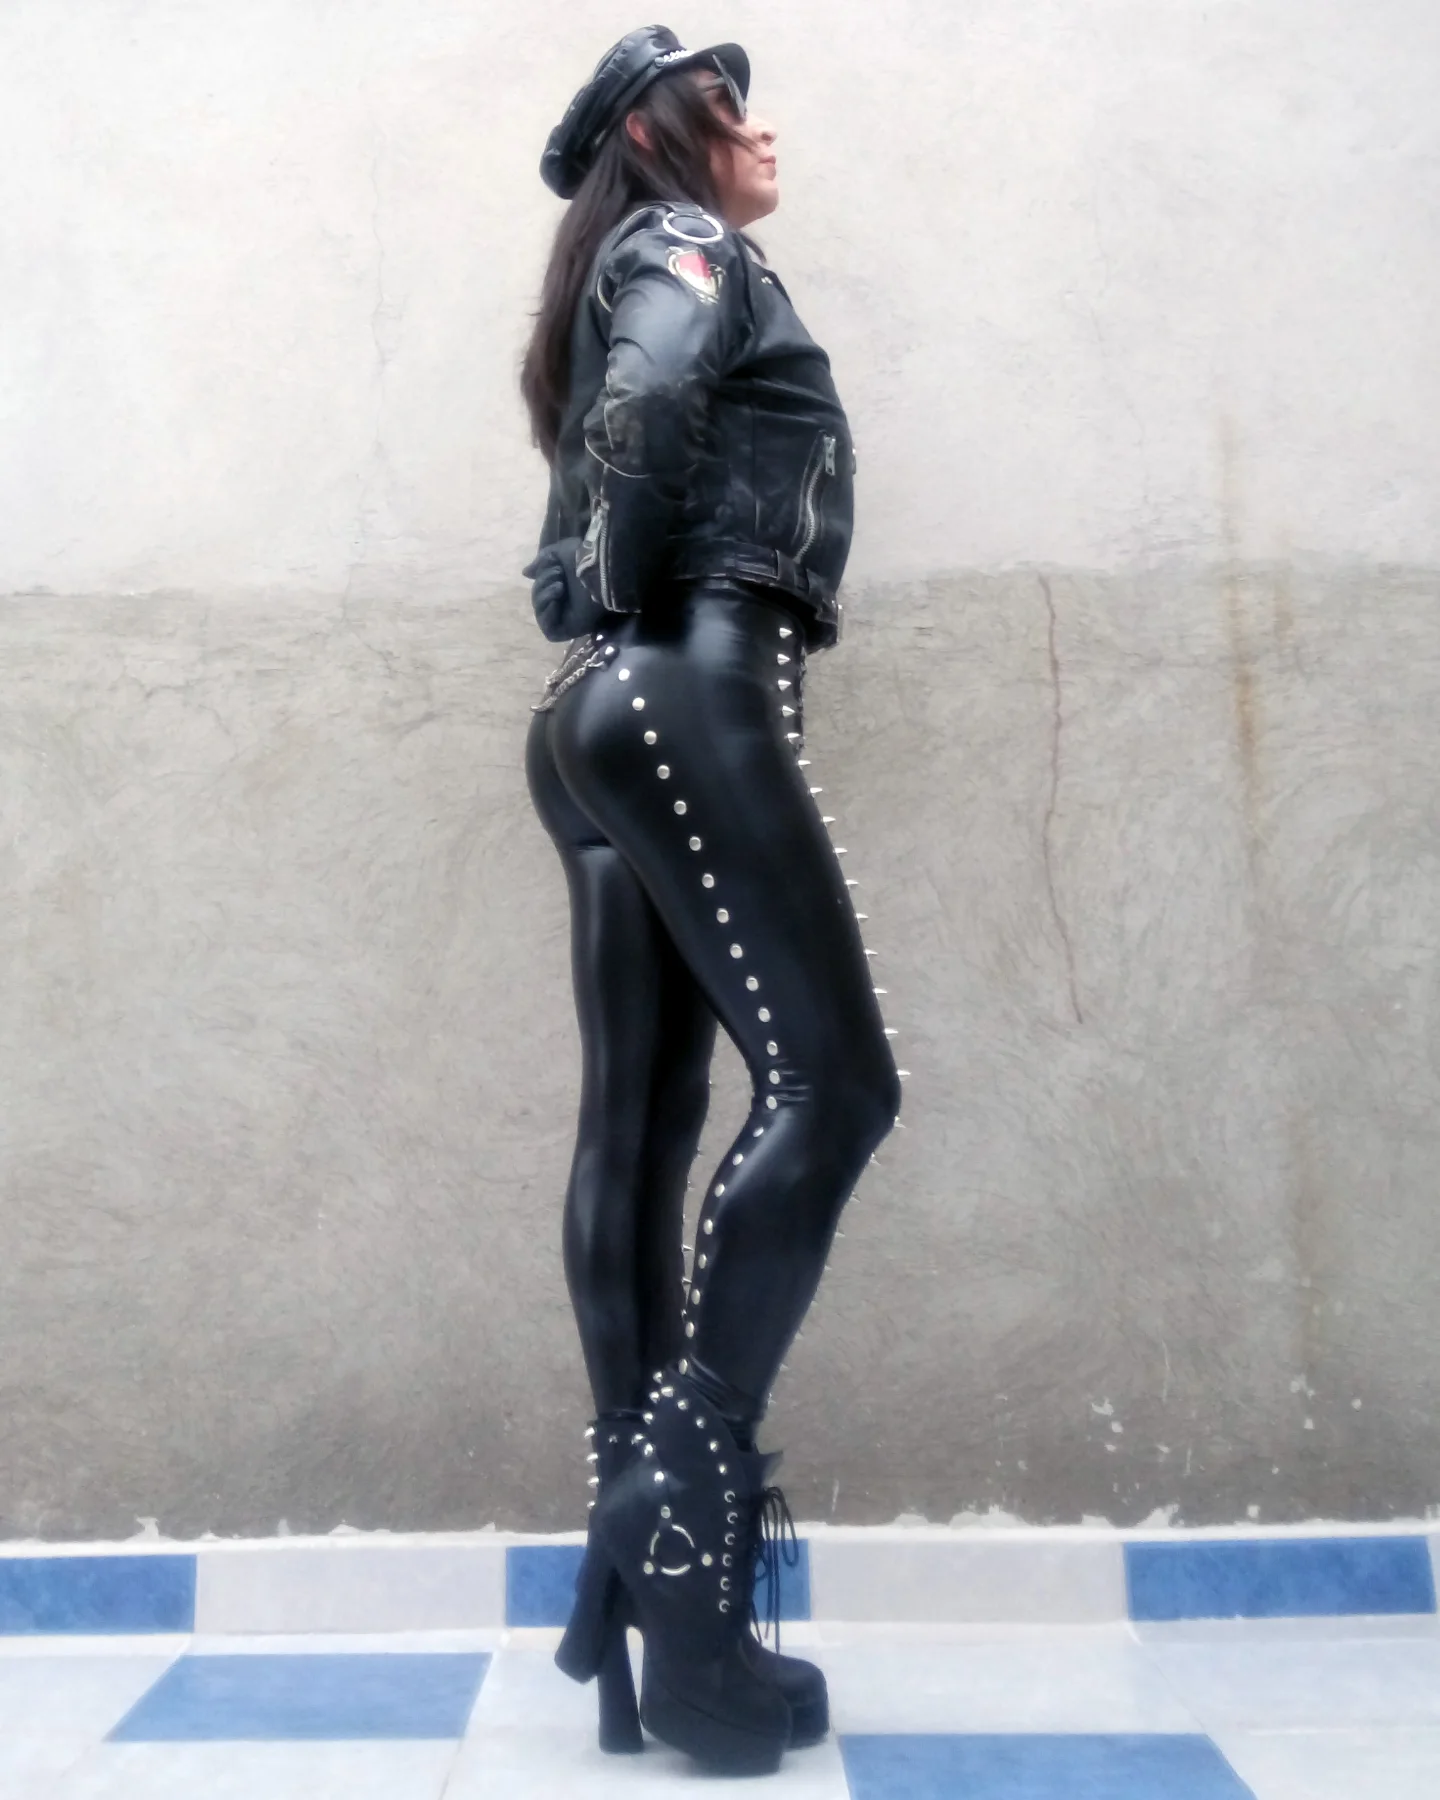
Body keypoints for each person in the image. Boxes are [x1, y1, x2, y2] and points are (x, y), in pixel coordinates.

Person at [520, 25, 900, 1777]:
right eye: (728, 110)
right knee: (837, 1089)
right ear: (662, 142)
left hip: (597, 716)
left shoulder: (611, 272)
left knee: (643, 1130)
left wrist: (599, 583)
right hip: (690, 683)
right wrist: (629, 578)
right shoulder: (681, 248)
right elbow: (656, 407)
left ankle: (661, 1627)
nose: (762, 132)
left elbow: (569, 549)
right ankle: (675, 1518)